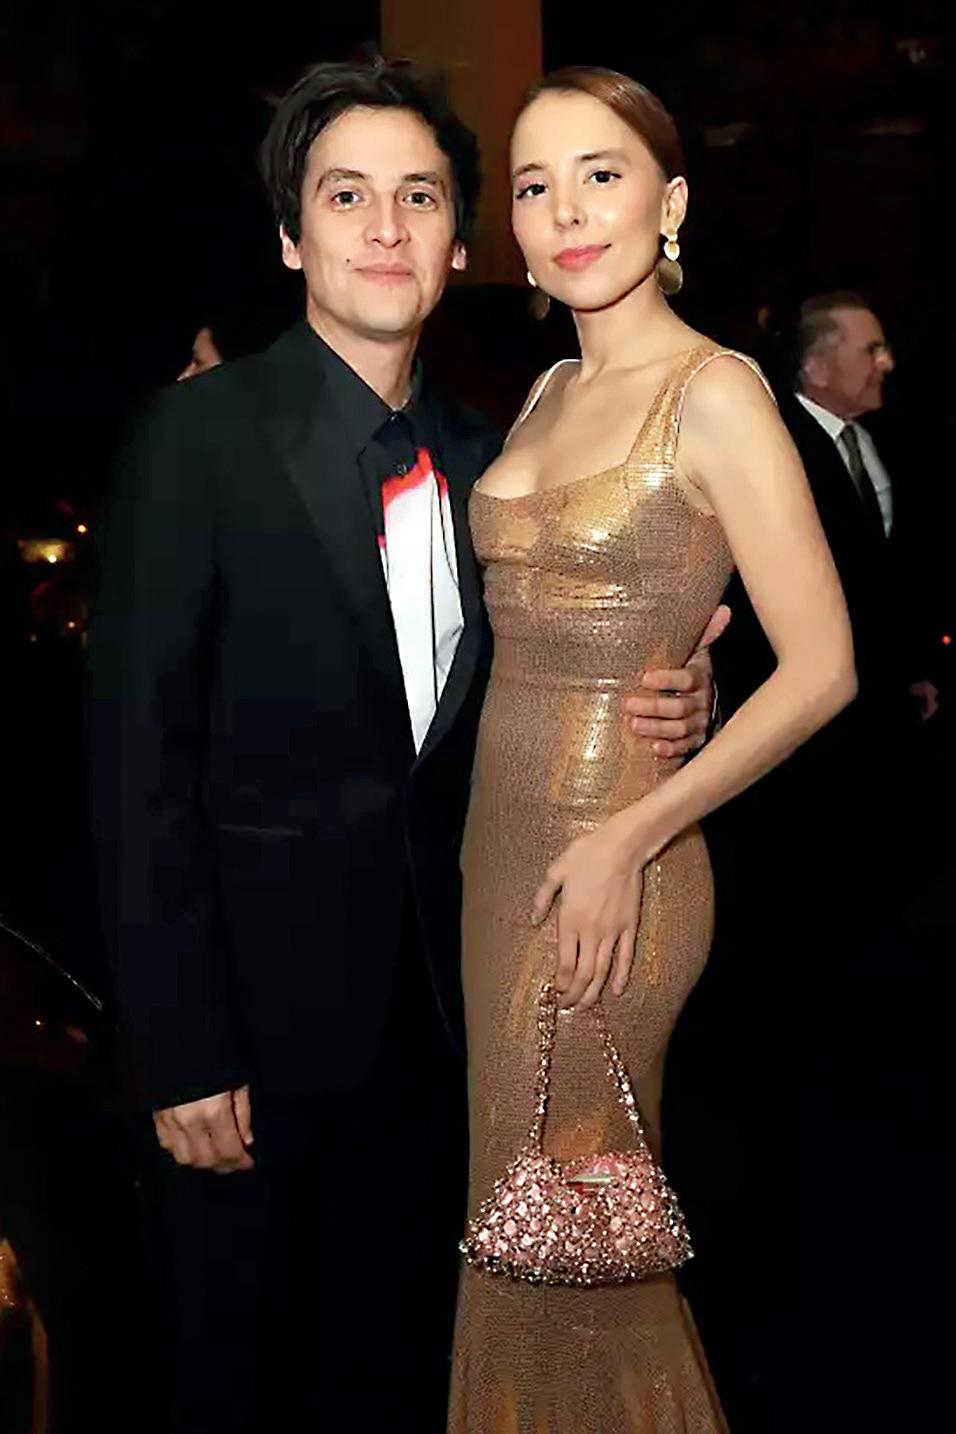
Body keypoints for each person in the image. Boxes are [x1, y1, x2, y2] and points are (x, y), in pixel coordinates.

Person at [86, 58, 711, 1434]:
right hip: (246, 1047)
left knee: (388, 1384)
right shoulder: (197, 438)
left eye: (419, 197)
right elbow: (138, 765)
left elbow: (554, 679)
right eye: (346, 195)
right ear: (290, 235)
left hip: (445, 1032)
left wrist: (679, 692)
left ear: (460, 243)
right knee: (230, 1387)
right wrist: (178, 1045)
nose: (385, 227)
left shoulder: (500, 463)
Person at [448, 66, 856, 1433]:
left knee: (573, 1242)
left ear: (669, 202)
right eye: (535, 185)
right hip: (499, 861)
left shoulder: (718, 390)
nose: (567, 210)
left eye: (602, 174)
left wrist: (632, 832)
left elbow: (827, 667)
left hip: (620, 867)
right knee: (512, 1227)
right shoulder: (547, 389)